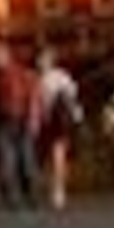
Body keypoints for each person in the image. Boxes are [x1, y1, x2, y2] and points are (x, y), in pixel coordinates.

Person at [0, 38, 39, 211]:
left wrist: (32, 118)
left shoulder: (22, 74)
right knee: (6, 160)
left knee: (25, 159)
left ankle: (30, 194)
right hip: (2, 122)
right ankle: (12, 196)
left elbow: (32, 97)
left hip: (21, 120)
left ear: (7, 55)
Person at [32, 44, 83, 211]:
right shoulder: (34, 78)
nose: (42, 62)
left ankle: (58, 190)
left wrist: (74, 116)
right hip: (42, 121)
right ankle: (48, 187)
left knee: (58, 156)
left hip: (57, 121)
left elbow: (71, 97)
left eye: (46, 58)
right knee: (42, 158)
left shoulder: (61, 77)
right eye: (40, 59)